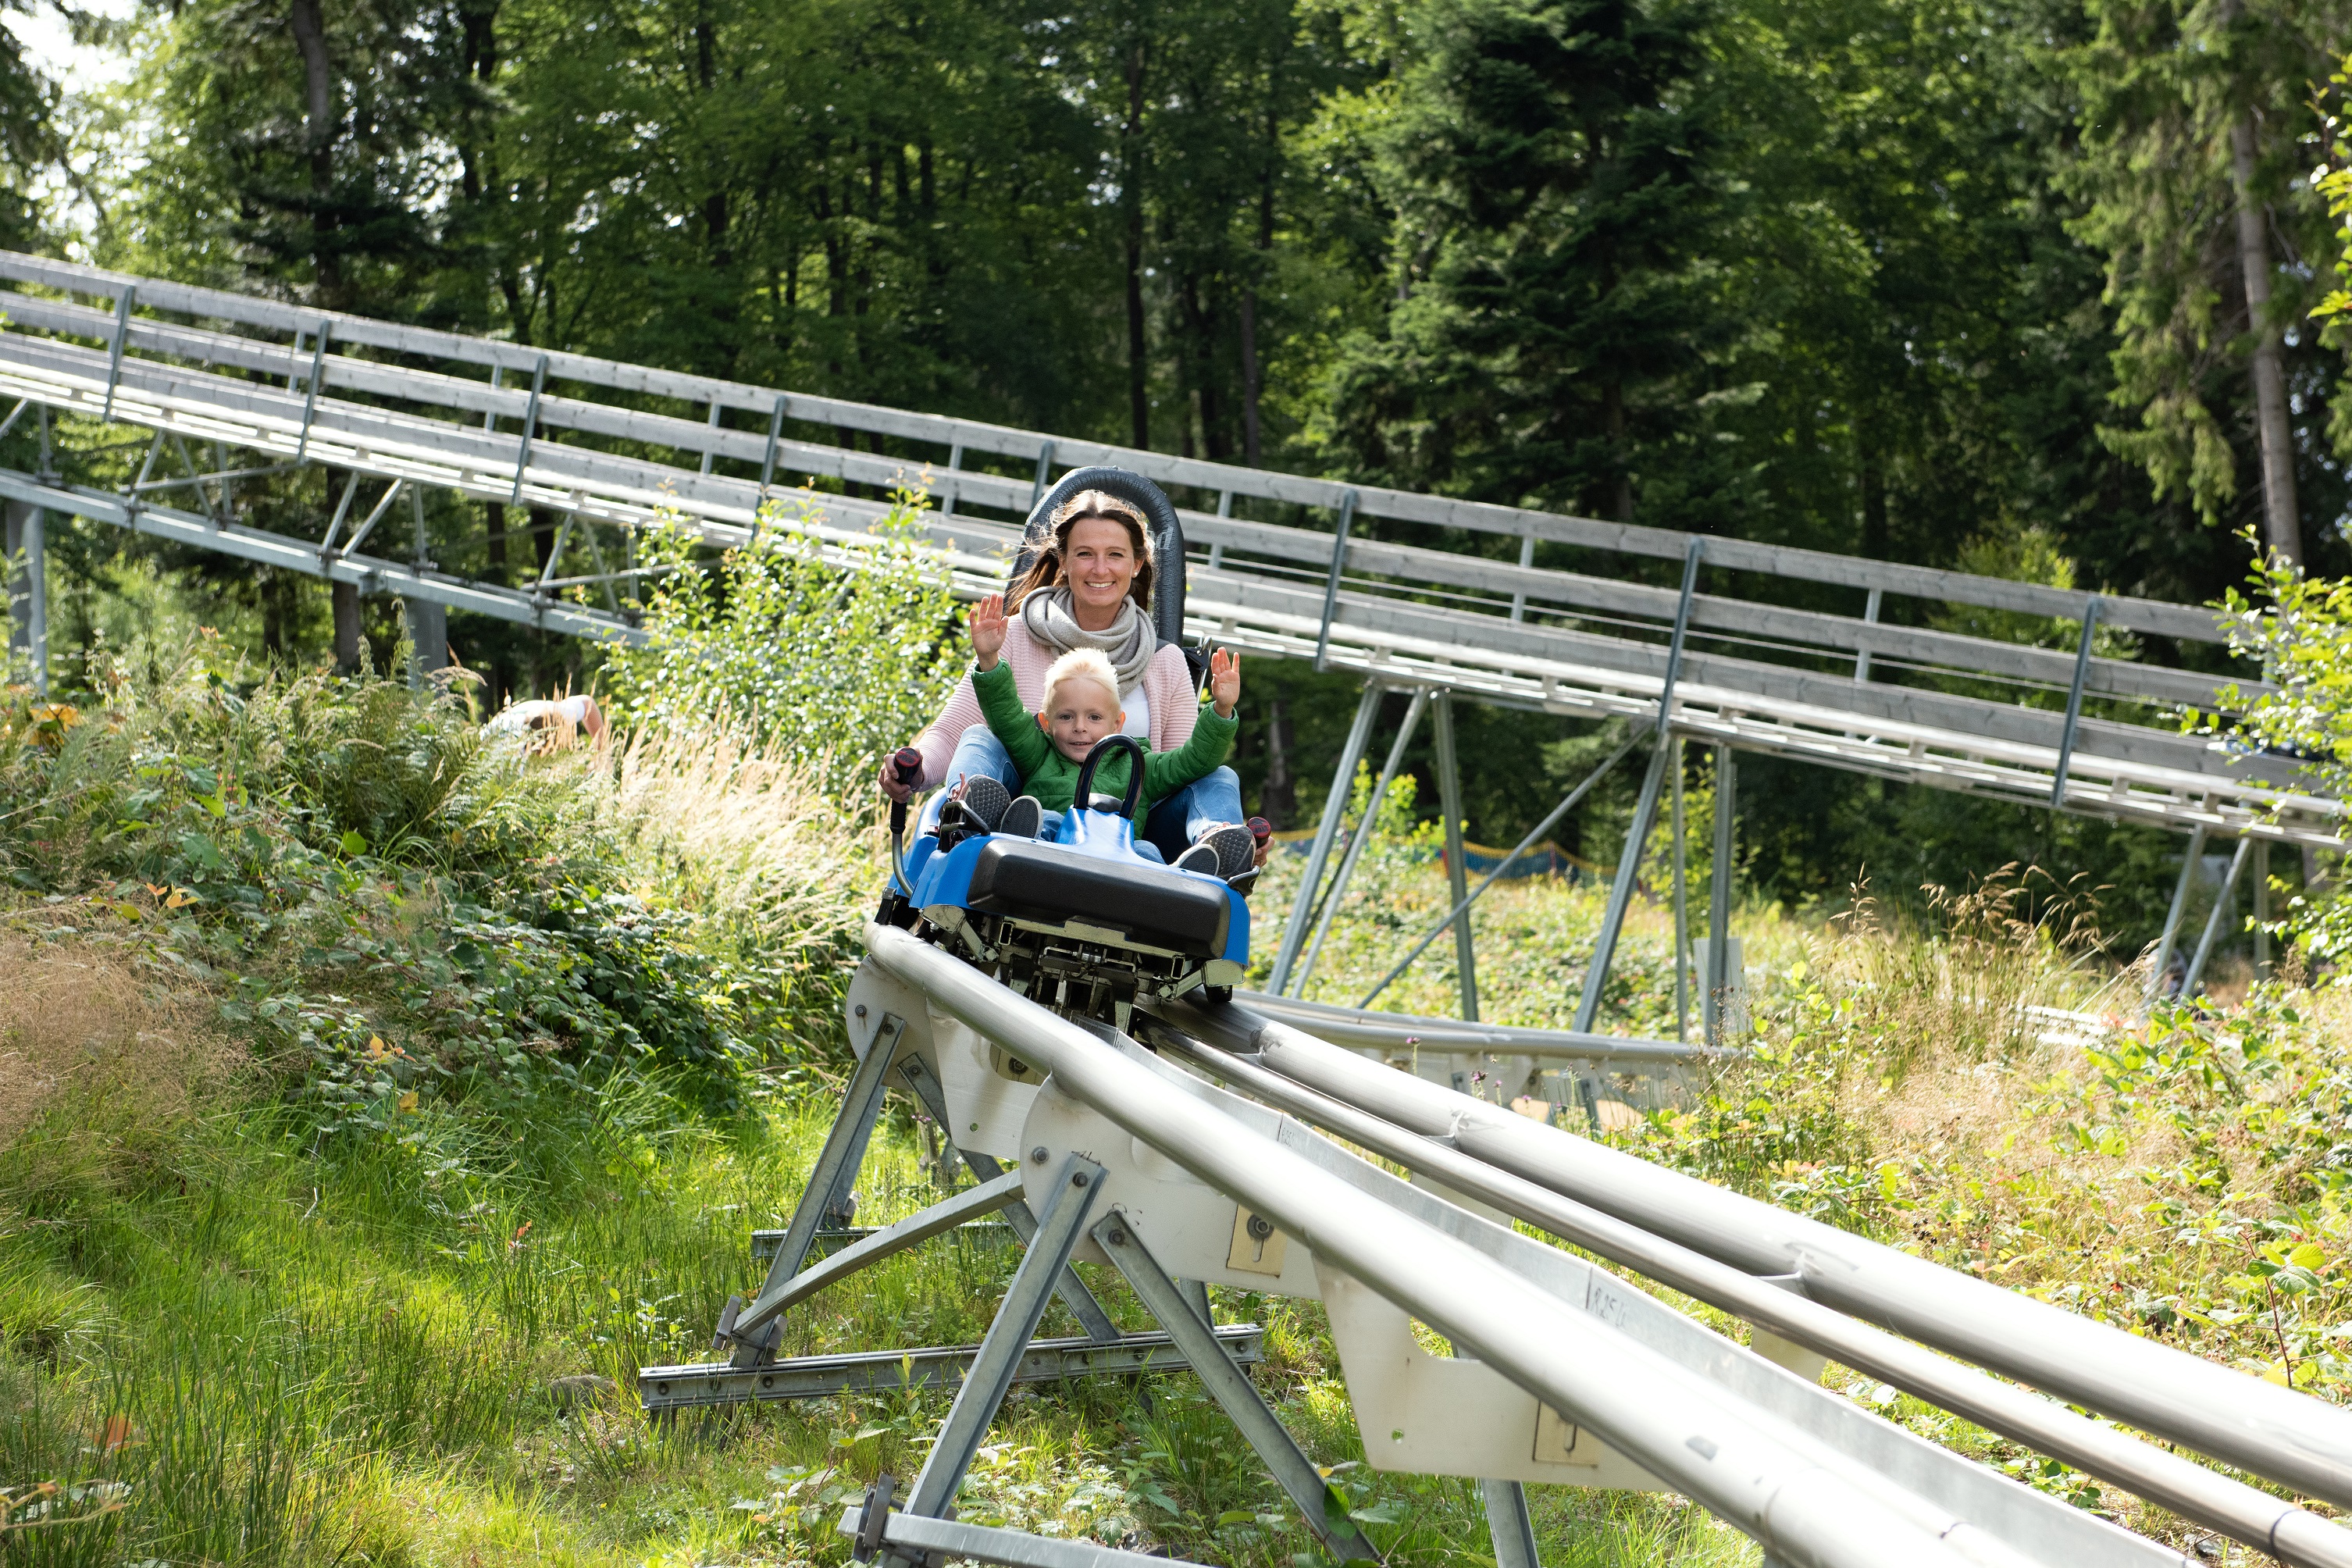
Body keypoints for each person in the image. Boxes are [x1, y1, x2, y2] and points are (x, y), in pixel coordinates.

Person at [878, 488, 1260, 882]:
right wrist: (915, 767)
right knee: (982, 736)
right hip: (1024, 809)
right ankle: (979, 813)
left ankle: (1217, 847)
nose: (1100, 569)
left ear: (1136, 564)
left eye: (1115, 555)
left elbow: (1186, 769)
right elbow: (956, 730)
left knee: (1218, 777)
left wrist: (1222, 720)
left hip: (1128, 835)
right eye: (1084, 554)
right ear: (1063, 560)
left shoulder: (1165, 664)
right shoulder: (1010, 637)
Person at [966, 597, 1241, 870]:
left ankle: (1206, 856)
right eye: (1066, 716)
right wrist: (989, 659)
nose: (1080, 727)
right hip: (1052, 850)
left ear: (1117, 724)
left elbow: (1196, 759)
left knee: (1148, 849)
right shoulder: (1040, 754)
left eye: (1094, 717)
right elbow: (1007, 715)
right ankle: (987, 818)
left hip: (1121, 859)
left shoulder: (1139, 766)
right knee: (1045, 819)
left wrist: (1222, 709)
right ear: (1046, 722)